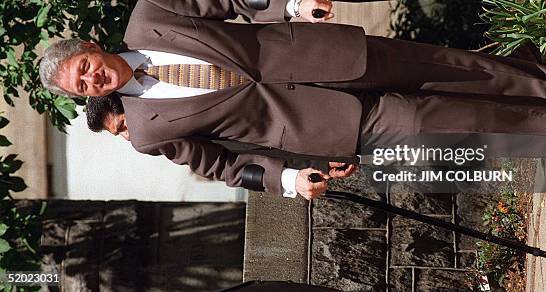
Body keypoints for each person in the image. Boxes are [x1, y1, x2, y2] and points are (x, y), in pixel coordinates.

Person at [39, 0, 546, 199]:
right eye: (82, 87)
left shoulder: (149, 14)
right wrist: (286, 178)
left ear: (91, 47)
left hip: (317, 50)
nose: (92, 80)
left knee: (442, 66)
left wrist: (291, 1)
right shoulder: (144, 134)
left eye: (84, 67)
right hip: (316, 124)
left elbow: (231, 0)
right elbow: (220, 166)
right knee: (432, 121)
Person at [85, 93, 356, 187]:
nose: (128, 136)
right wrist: (317, 163)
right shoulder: (169, 142)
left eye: (122, 126)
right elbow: (238, 157)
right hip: (332, 145)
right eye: (119, 134)